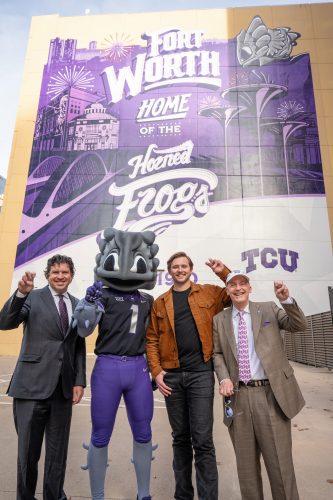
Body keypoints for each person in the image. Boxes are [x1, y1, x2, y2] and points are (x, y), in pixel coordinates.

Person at [74, 227, 159, 500]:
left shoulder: (148, 300)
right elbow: (84, 329)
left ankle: (143, 493)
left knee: (144, 432)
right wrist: (87, 304)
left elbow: (156, 336)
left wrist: (156, 368)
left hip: (138, 368)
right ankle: (97, 495)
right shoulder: (103, 295)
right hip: (108, 367)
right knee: (100, 433)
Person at [213, 270, 307, 500]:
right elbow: (217, 353)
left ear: (249, 287)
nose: (238, 288)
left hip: (271, 395)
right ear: (227, 290)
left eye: (242, 283)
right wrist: (224, 377)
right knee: (246, 469)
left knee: (280, 465)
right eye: (232, 285)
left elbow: (299, 325)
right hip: (239, 396)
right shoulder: (220, 319)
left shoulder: (268, 308)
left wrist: (285, 300)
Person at [146, 252, 231, 500]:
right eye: (175, 267)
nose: (180, 270)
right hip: (171, 377)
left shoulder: (210, 293)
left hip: (201, 375)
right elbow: (151, 339)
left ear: (191, 269)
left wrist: (223, 271)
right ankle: (183, 495)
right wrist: (156, 371)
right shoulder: (160, 302)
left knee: (203, 441)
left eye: (184, 266)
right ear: (170, 271)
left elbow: (236, 291)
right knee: (180, 439)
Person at [0, 254, 86, 500]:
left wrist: (79, 380)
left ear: (71, 275)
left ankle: (54, 495)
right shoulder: (32, 297)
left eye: (65, 272)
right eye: (56, 272)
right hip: (30, 387)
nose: (60, 276)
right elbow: (5, 322)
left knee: (58, 453)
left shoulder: (78, 304)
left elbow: (77, 346)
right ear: (48, 275)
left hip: (62, 389)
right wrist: (20, 294)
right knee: (28, 453)